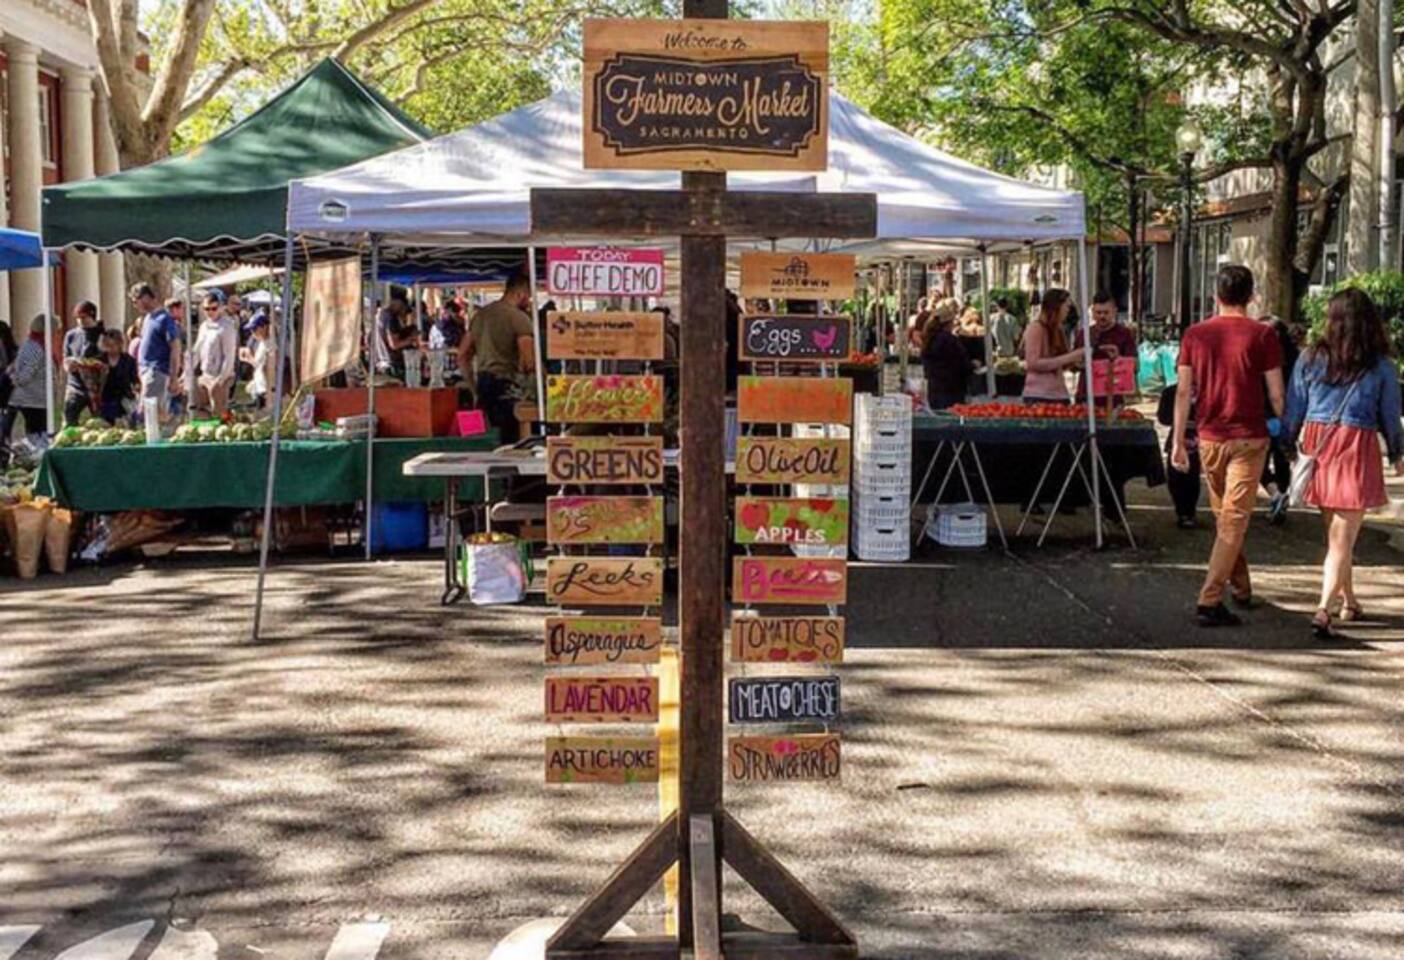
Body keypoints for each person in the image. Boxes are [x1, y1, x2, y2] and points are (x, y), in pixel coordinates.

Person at [1282, 288, 1403, 639]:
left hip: (1319, 445)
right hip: (1356, 447)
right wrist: (1397, 453)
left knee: (1338, 536)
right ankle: (1324, 609)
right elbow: (1390, 414)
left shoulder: (1310, 357)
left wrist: (1288, 443)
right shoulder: (1381, 365)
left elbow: (1294, 405)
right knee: (1341, 539)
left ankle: (1349, 600)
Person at [1171, 264, 1285, 628]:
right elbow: (1276, 393)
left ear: (1215, 296)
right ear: (1251, 297)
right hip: (1249, 436)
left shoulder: (1194, 335)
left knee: (1227, 517)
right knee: (1232, 520)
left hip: (1209, 436)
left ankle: (1241, 586)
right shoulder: (1263, 335)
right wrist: (1288, 429)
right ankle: (1209, 600)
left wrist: (1177, 440)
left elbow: (1184, 392)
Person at [457, 274, 535, 443]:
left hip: (484, 384)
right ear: (520, 294)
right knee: (513, 442)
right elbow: (528, 361)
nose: (529, 301)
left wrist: (474, 389)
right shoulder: (519, 318)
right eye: (529, 296)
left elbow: (462, 355)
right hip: (508, 385)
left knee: (487, 440)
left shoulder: (480, 316)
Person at [1260, 314, 1300, 524]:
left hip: (1263, 417)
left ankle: (1276, 495)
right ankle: (1281, 498)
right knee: (1282, 461)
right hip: (1287, 417)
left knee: (1259, 463)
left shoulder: (1260, 356)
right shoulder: (1295, 357)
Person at [1021, 288, 1084, 404]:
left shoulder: (1058, 329)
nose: (1068, 310)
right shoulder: (1036, 328)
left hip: (1060, 394)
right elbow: (1033, 363)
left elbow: (1062, 363)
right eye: (1066, 306)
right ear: (1057, 306)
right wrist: (1071, 357)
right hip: (1038, 394)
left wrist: (1078, 360)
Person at [133, 283, 184, 423]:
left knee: (148, 412)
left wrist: (174, 377)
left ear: (145, 298)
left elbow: (175, 348)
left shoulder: (165, 319)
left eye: (135, 301)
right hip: (145, 371)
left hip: (156, 370)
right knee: (150, 412)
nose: (135, 305)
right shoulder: (148, 318)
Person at [1074, 290, 1137, 403]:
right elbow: (1072, 365)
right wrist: (1079, 362)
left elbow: (1136, 366)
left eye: (1106, 312)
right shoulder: (1084, 334)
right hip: (1085, 395)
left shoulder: (1124, 334)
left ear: (1114, 311)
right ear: (1092, 312)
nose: (1102, 316)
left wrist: (1118, 358)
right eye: (1098, 312)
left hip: (1113, 397)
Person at [3, 315, 53, 441]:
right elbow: (24, 376)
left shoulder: (32, 344)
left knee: (35, 434)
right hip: (32, 400)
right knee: (37, 436)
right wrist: (13, 378)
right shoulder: (36, 348)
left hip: (34, 399)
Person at [1158, 382, 1201, 528]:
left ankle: (1187, 512)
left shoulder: (1207, 390)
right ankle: (1185, 512)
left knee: (1188, 477)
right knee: (1180, 477)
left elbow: (1163, 418)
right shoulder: (1170, 392)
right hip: (1182, 438)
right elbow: (1163, 418)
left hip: (1199, 438)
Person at [191, 291, 240, 417]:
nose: (210, 312)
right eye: (206, 309)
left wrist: (221, 379)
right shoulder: (204, 326)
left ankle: (228, 422)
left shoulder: (227, 326)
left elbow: (229, 355)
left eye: (213, 308)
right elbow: (197, 350)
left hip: (221, 376)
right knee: (199, 408)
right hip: (205, 373)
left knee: (219, 412)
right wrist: (188, 371)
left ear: (221, 307)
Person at [921, 298, 973, 410]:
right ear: (948, 323)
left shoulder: (929, 339)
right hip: (952, 389)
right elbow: (961, 363)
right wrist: (973, 365)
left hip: (934, 388)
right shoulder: (949, 340)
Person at [61, 300, 105, 427]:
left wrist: (93, 364)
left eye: (84, 317)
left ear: (92, 316)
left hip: (97, 387)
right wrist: (68, 365)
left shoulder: (102, 334)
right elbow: (66, 356)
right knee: (69, 418)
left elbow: (108, 358)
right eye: (77, 318)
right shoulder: (71, 335)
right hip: (75, 385)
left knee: (100, 422)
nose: (80, 321)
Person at [374, 286, 419, 380]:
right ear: (399, 302)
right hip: (393, 365)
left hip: (381, 363)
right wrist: (411, 340)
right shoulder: (391, 317)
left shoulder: (379, 314)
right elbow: (395, 344)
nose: (403, 313)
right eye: (404, 308)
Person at [96, 329, 139, 425]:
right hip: (105, 399)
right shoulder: (99, 360)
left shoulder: (129, 361)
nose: (110, 349)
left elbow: (134, 379)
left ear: (120, 344)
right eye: (107, 345)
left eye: (113, 345)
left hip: (123, 399)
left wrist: (136, 388)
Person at [239, 312, 276, 409]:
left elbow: (269, 366)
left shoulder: (271, 344)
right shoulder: (263, 342)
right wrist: (248, 358)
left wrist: (269, 391)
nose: (252, 332)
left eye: (254, 329)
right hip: (260, 387)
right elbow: (258, 364)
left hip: (266, 390)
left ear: (264, 327)